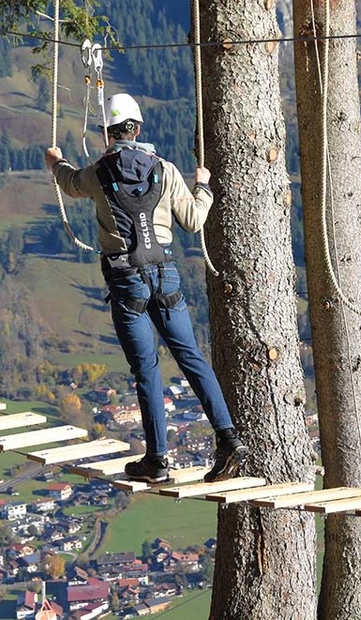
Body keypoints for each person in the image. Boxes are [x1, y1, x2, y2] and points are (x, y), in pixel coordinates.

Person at [44, 93, 247, 484]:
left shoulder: (97, 173)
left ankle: (157, 461)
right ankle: (228, 438)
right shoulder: (165, 170)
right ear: (137, 128)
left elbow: (70, 184)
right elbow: (193, 220)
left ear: (108, 133)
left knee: (147, 369)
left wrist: (57, 163)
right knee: (192, 359)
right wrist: (203, 186)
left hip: (126, 281)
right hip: (164, 274)